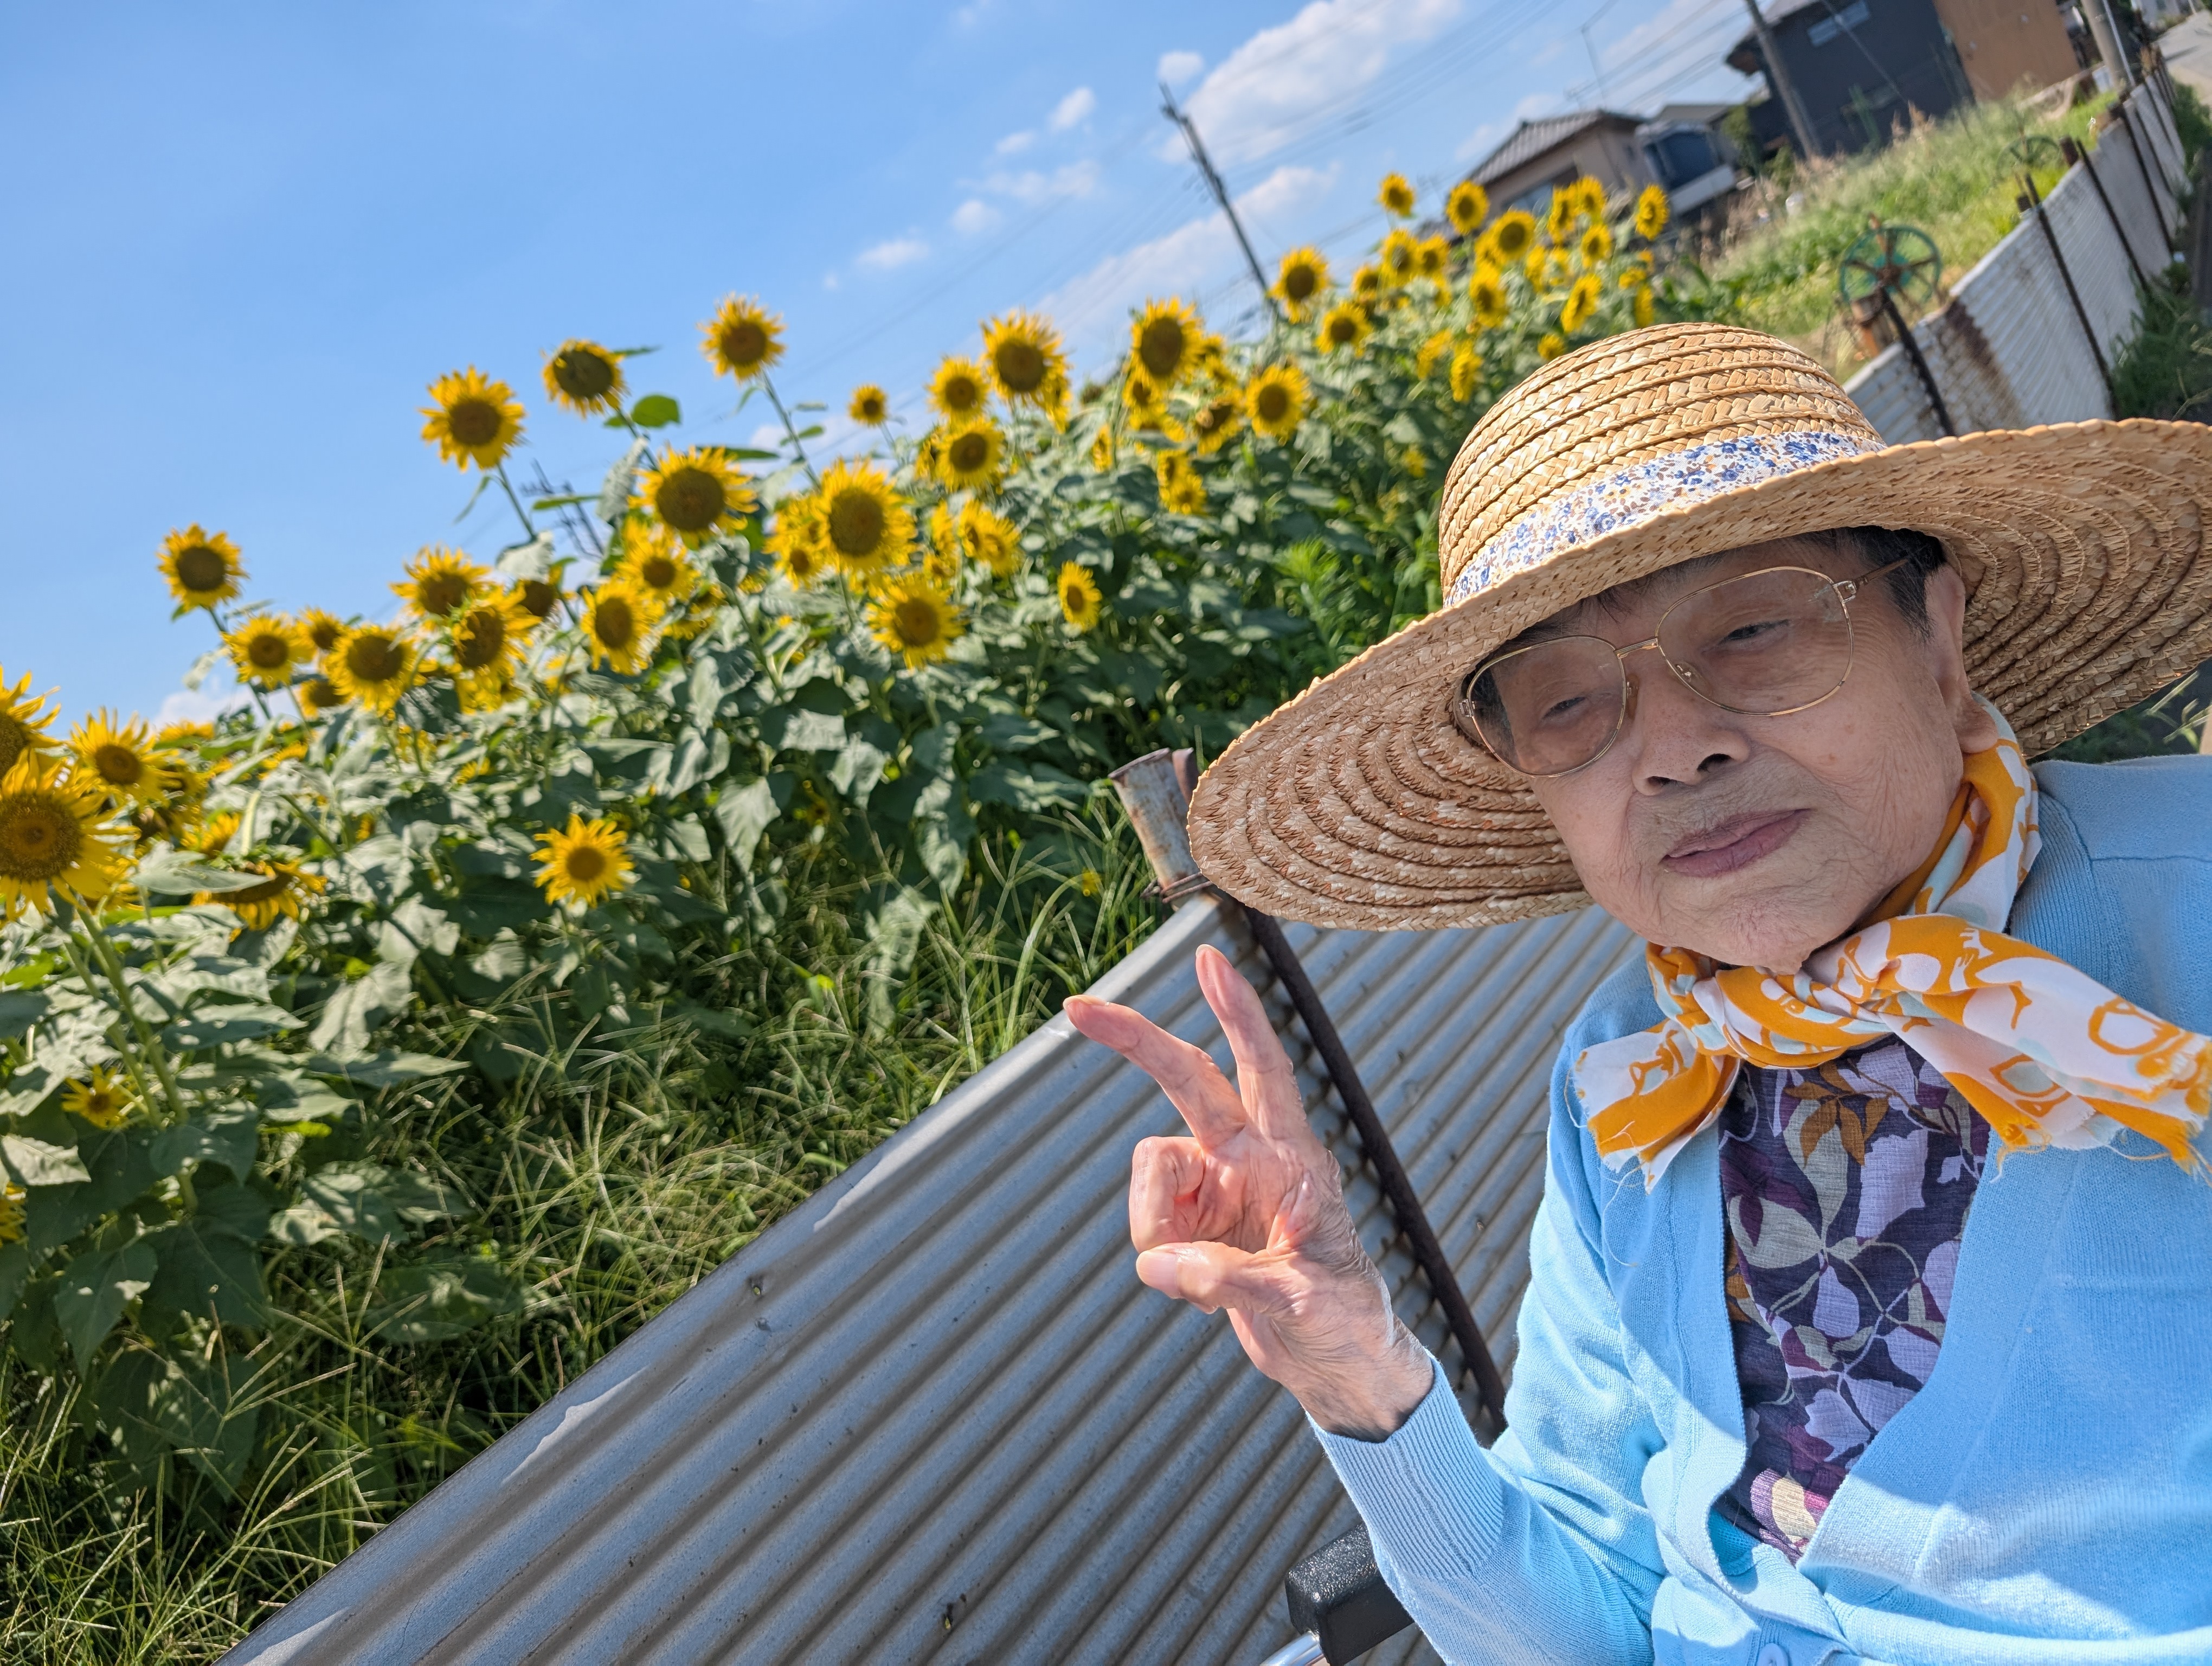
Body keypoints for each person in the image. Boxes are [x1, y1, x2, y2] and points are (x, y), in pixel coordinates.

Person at [1066, 324, 2212, 1665]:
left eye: (1755, 627)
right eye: (1567, 704)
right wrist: (1360, 1378)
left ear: (1940, 638)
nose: (1676, 748)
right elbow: (1589, 1607)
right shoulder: (1630, 1071)